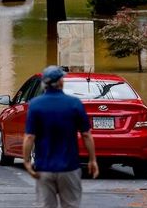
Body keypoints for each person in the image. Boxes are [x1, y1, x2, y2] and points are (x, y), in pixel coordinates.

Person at [23, 65, 98, 208]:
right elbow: (86, 135)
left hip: (44, 168)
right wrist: (92, 159)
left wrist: (26, 161)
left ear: (44, 83)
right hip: (69, 167)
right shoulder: (74, 103)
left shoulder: (35, 105)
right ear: (61, 82)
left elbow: (29, 137)